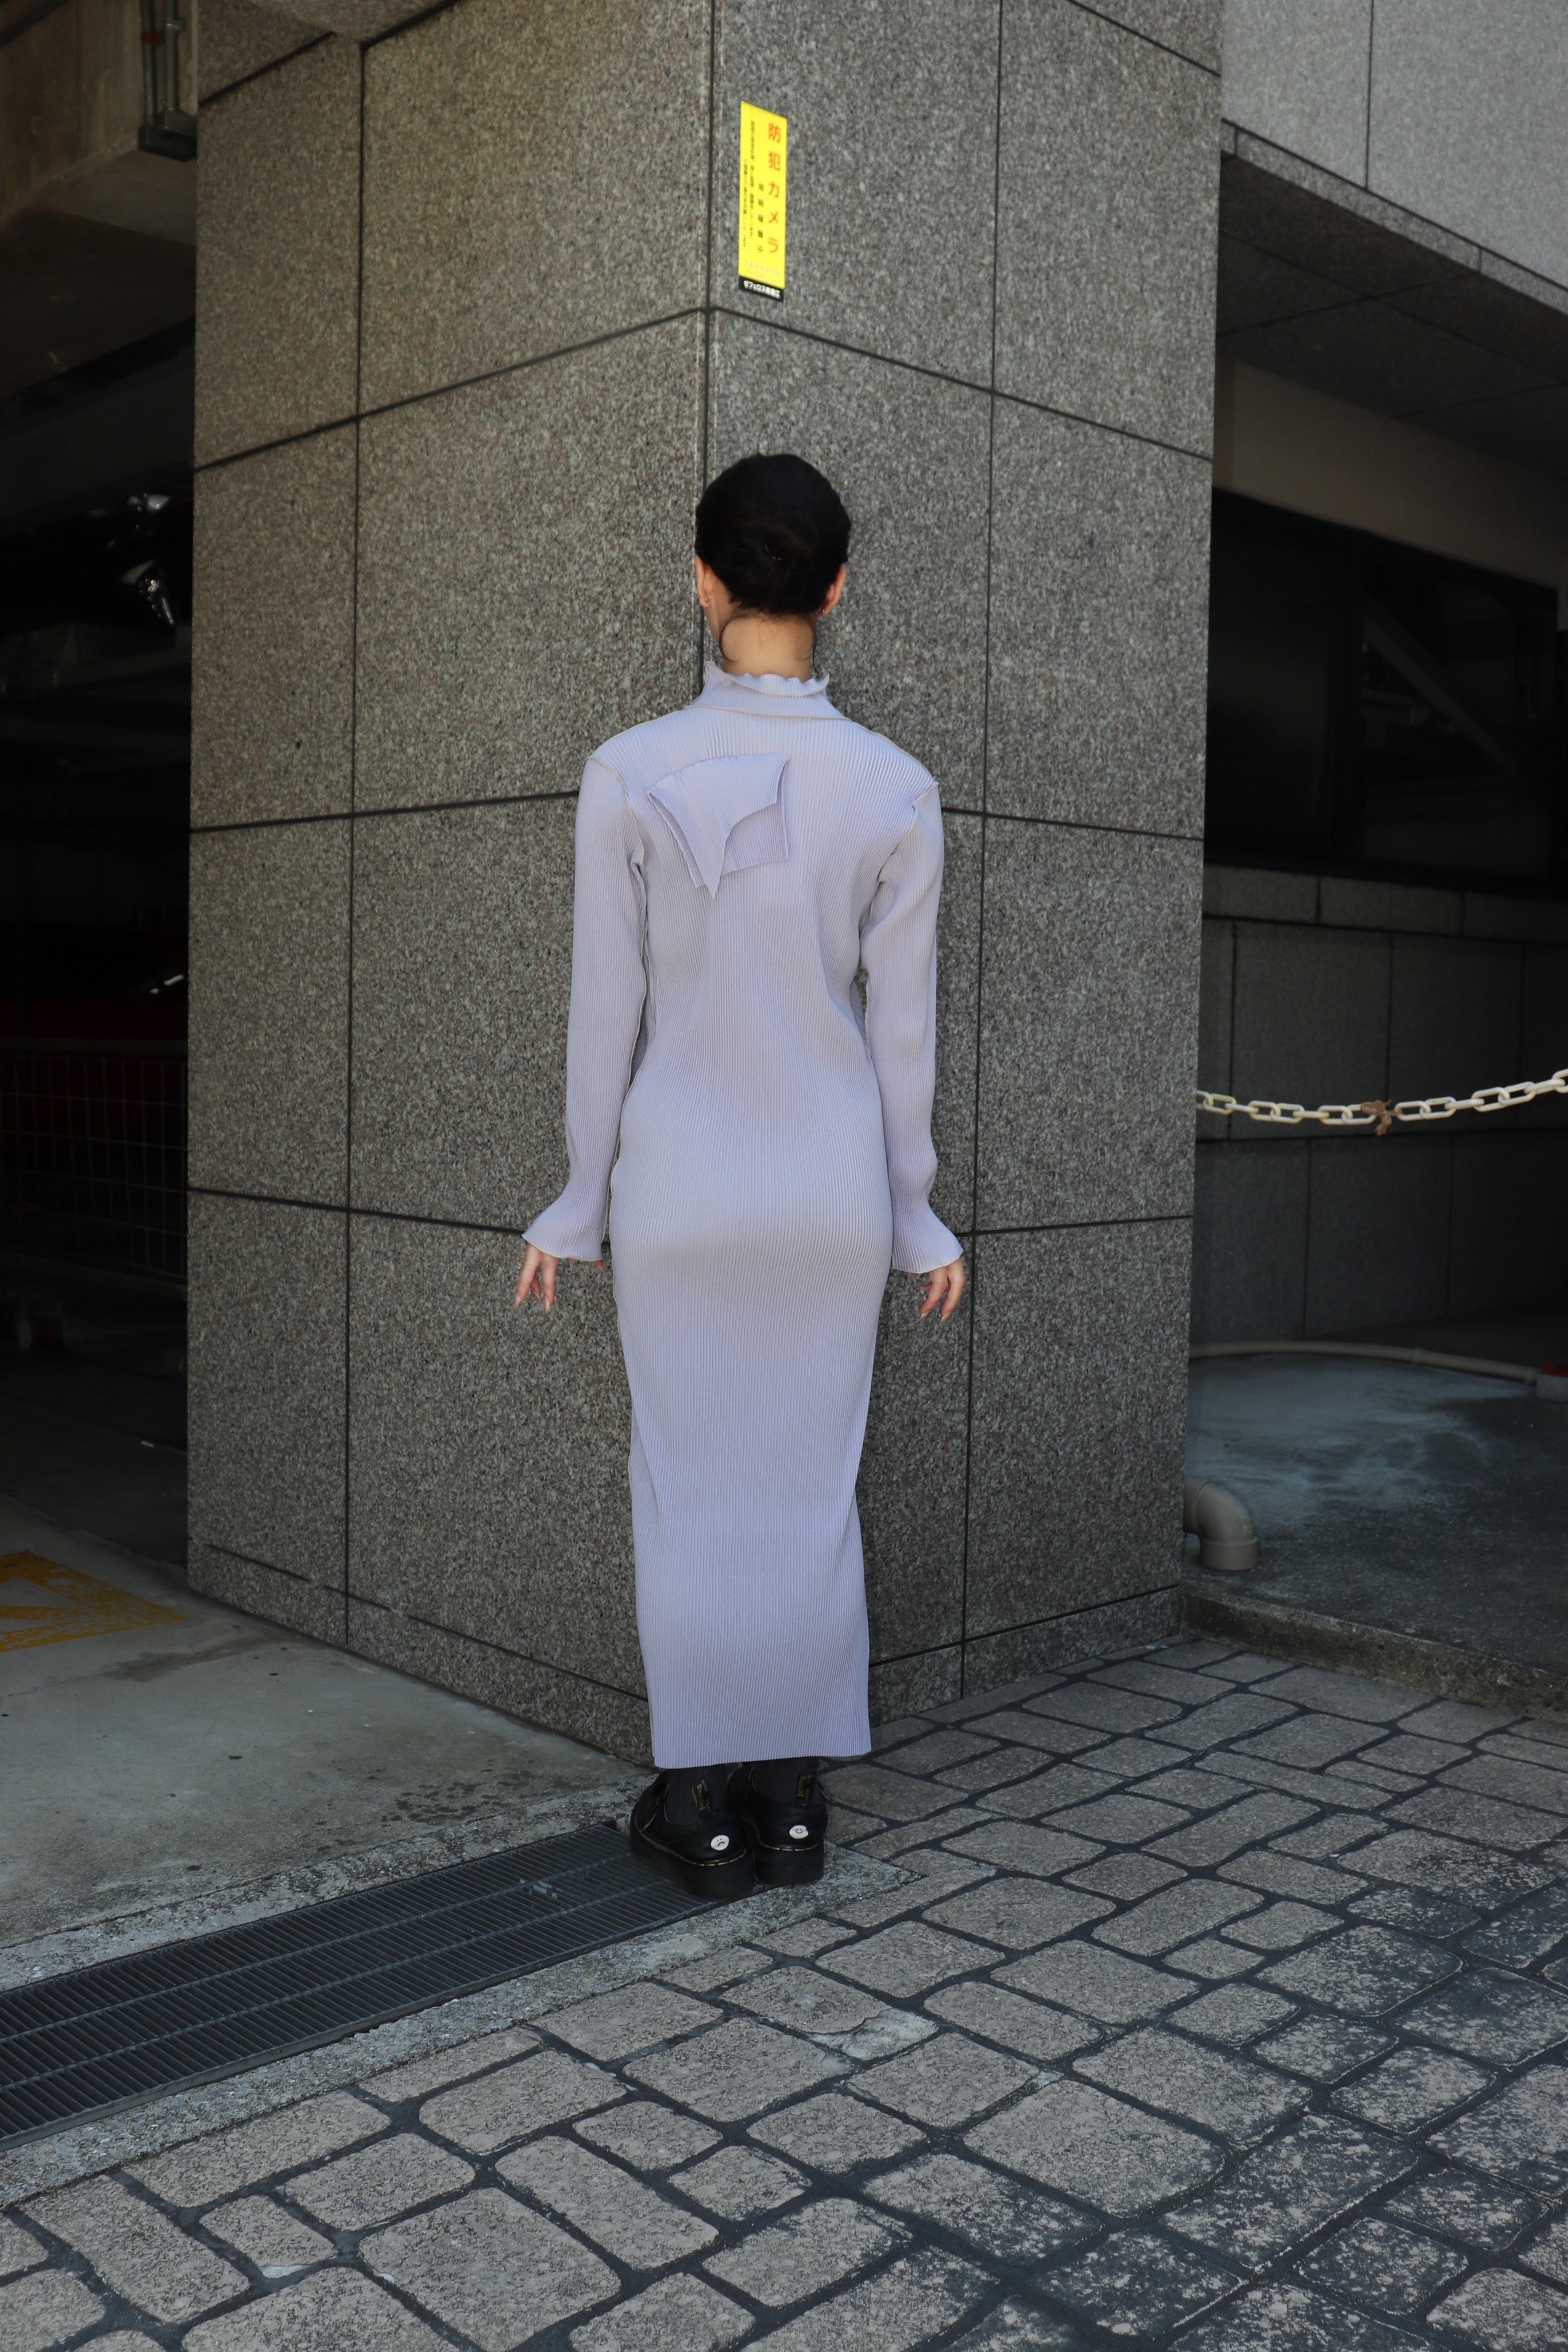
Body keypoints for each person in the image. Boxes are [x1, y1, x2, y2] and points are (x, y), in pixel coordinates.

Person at [516, 452, 965, 1900]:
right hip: (831, 1193)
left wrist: (578, 1201)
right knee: (810, 1494)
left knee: (689, 1491)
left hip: (683, 1191)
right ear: (836, 587)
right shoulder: (897, 787)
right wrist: (916, 1214)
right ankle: (794, 1801)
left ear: (702, 578)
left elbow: (605, 1014)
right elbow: (902, 1034)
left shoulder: (628, 768)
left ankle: (702, 1808)